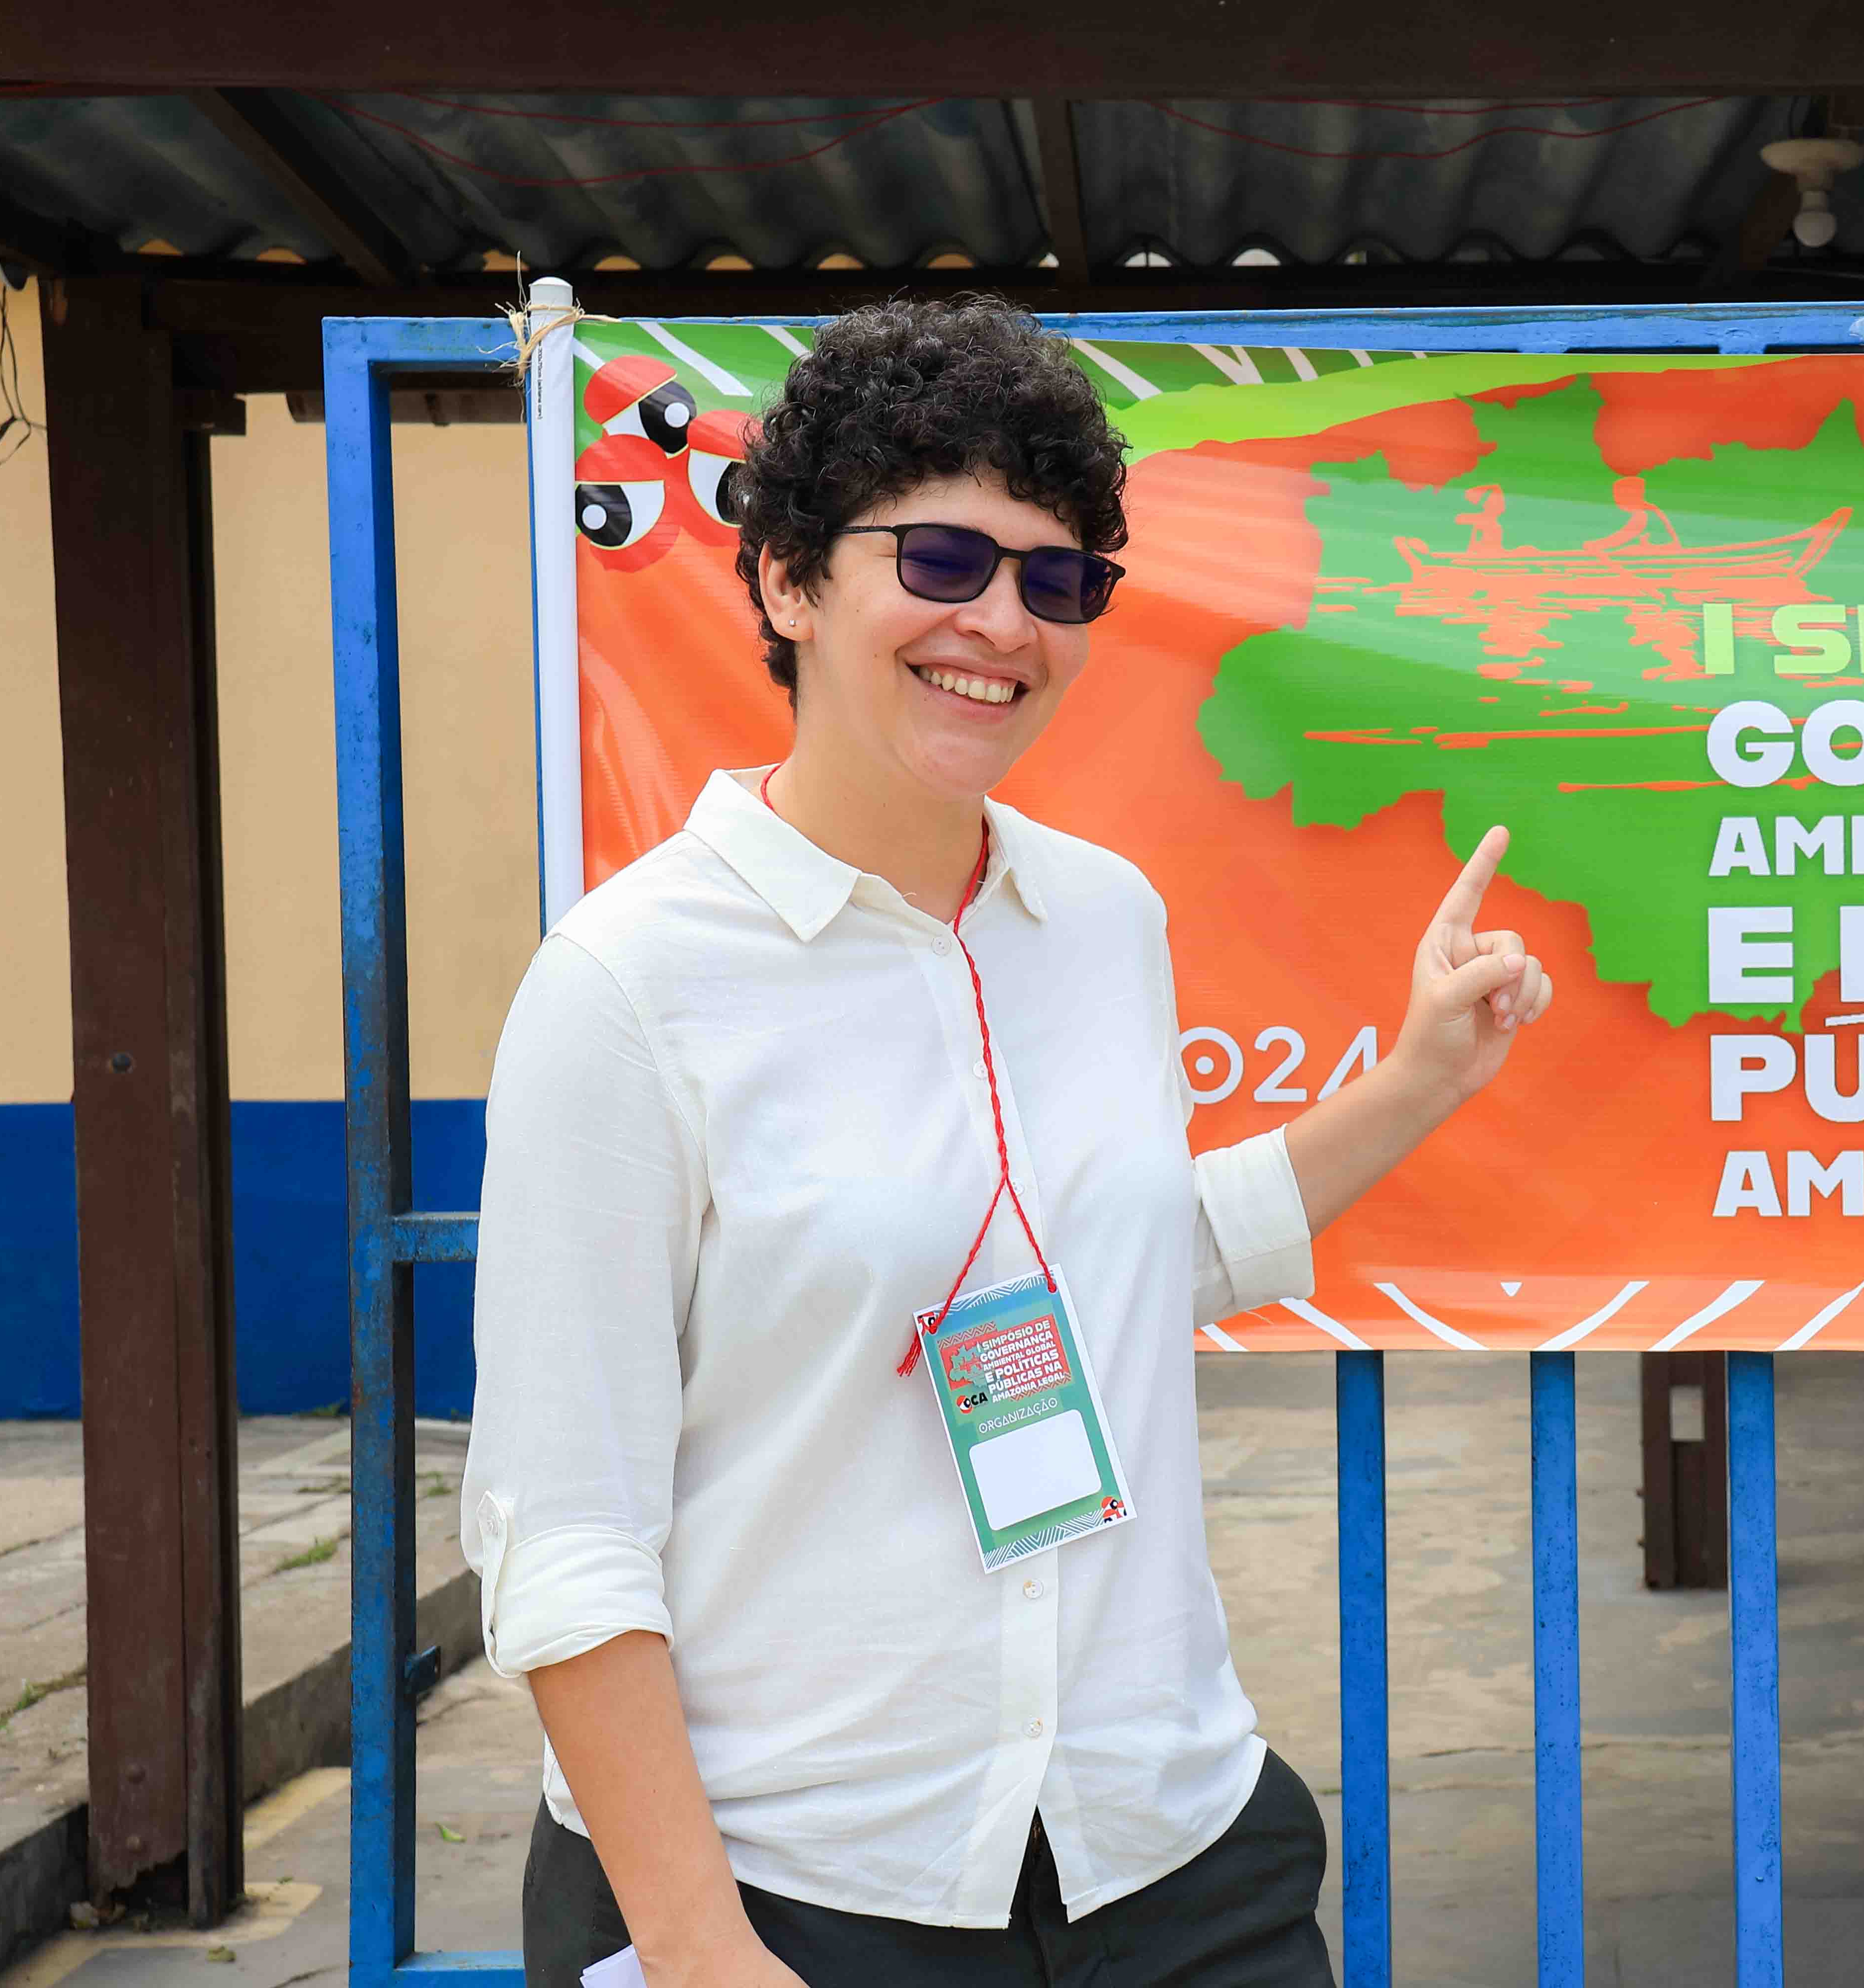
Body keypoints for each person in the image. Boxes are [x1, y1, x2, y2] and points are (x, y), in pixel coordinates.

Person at [465, 297, 1553, 1988]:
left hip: (1166, 1846)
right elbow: (561, 1531)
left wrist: (1417, 1080)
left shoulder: (1098, 917)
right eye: (943, 559)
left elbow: (1115, 1263)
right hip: (796, 1888)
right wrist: (700, 1949)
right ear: (786, 580)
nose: (1004, 623)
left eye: (1058, 581)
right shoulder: (625, 988)